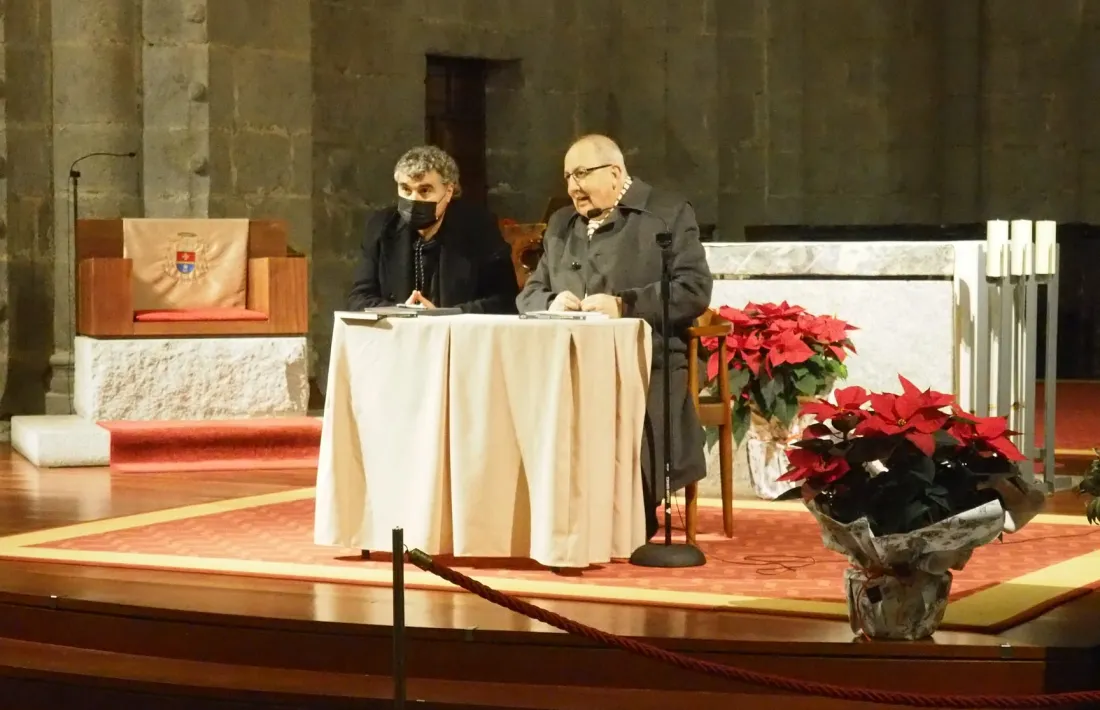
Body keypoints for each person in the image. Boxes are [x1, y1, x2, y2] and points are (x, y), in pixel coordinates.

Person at [516, 134, 714, 539]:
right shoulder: (561, 224)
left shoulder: (666, 214)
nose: (572, 186)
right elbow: (530, 293)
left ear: (615, 172)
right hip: (567, 361)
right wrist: (552, 301)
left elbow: (693, 290)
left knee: (632, 414)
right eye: (568, 176)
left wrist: (624, 305)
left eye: (582, 174)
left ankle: (626, 515)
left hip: (648, 358)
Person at [347, 145, 518, 314]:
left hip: (457, 335)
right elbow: (359, 298)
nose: (413, 200)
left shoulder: (479, 227)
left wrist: (444, 316)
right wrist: (400, 313)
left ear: (449, 191)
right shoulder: (381, 226)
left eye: (425, 190)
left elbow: (505, 300)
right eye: (406, 189)